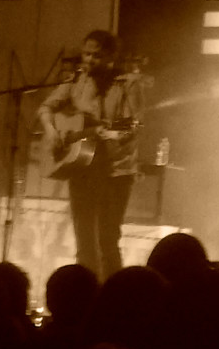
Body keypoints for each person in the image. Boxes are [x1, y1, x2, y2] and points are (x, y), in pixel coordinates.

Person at [37, 29, 143, 281]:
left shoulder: (128, 84)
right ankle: (85, 294)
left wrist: (113, 134)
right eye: (86, 53)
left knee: (108, 238)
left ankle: (112, 297)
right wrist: (52, 131)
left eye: (96, 56)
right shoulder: (77, 80)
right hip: (82, 167)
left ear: (110, 58)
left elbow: (132, 127)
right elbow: (46, 107)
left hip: (115, 170)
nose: (88, 60)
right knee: (83, 237)